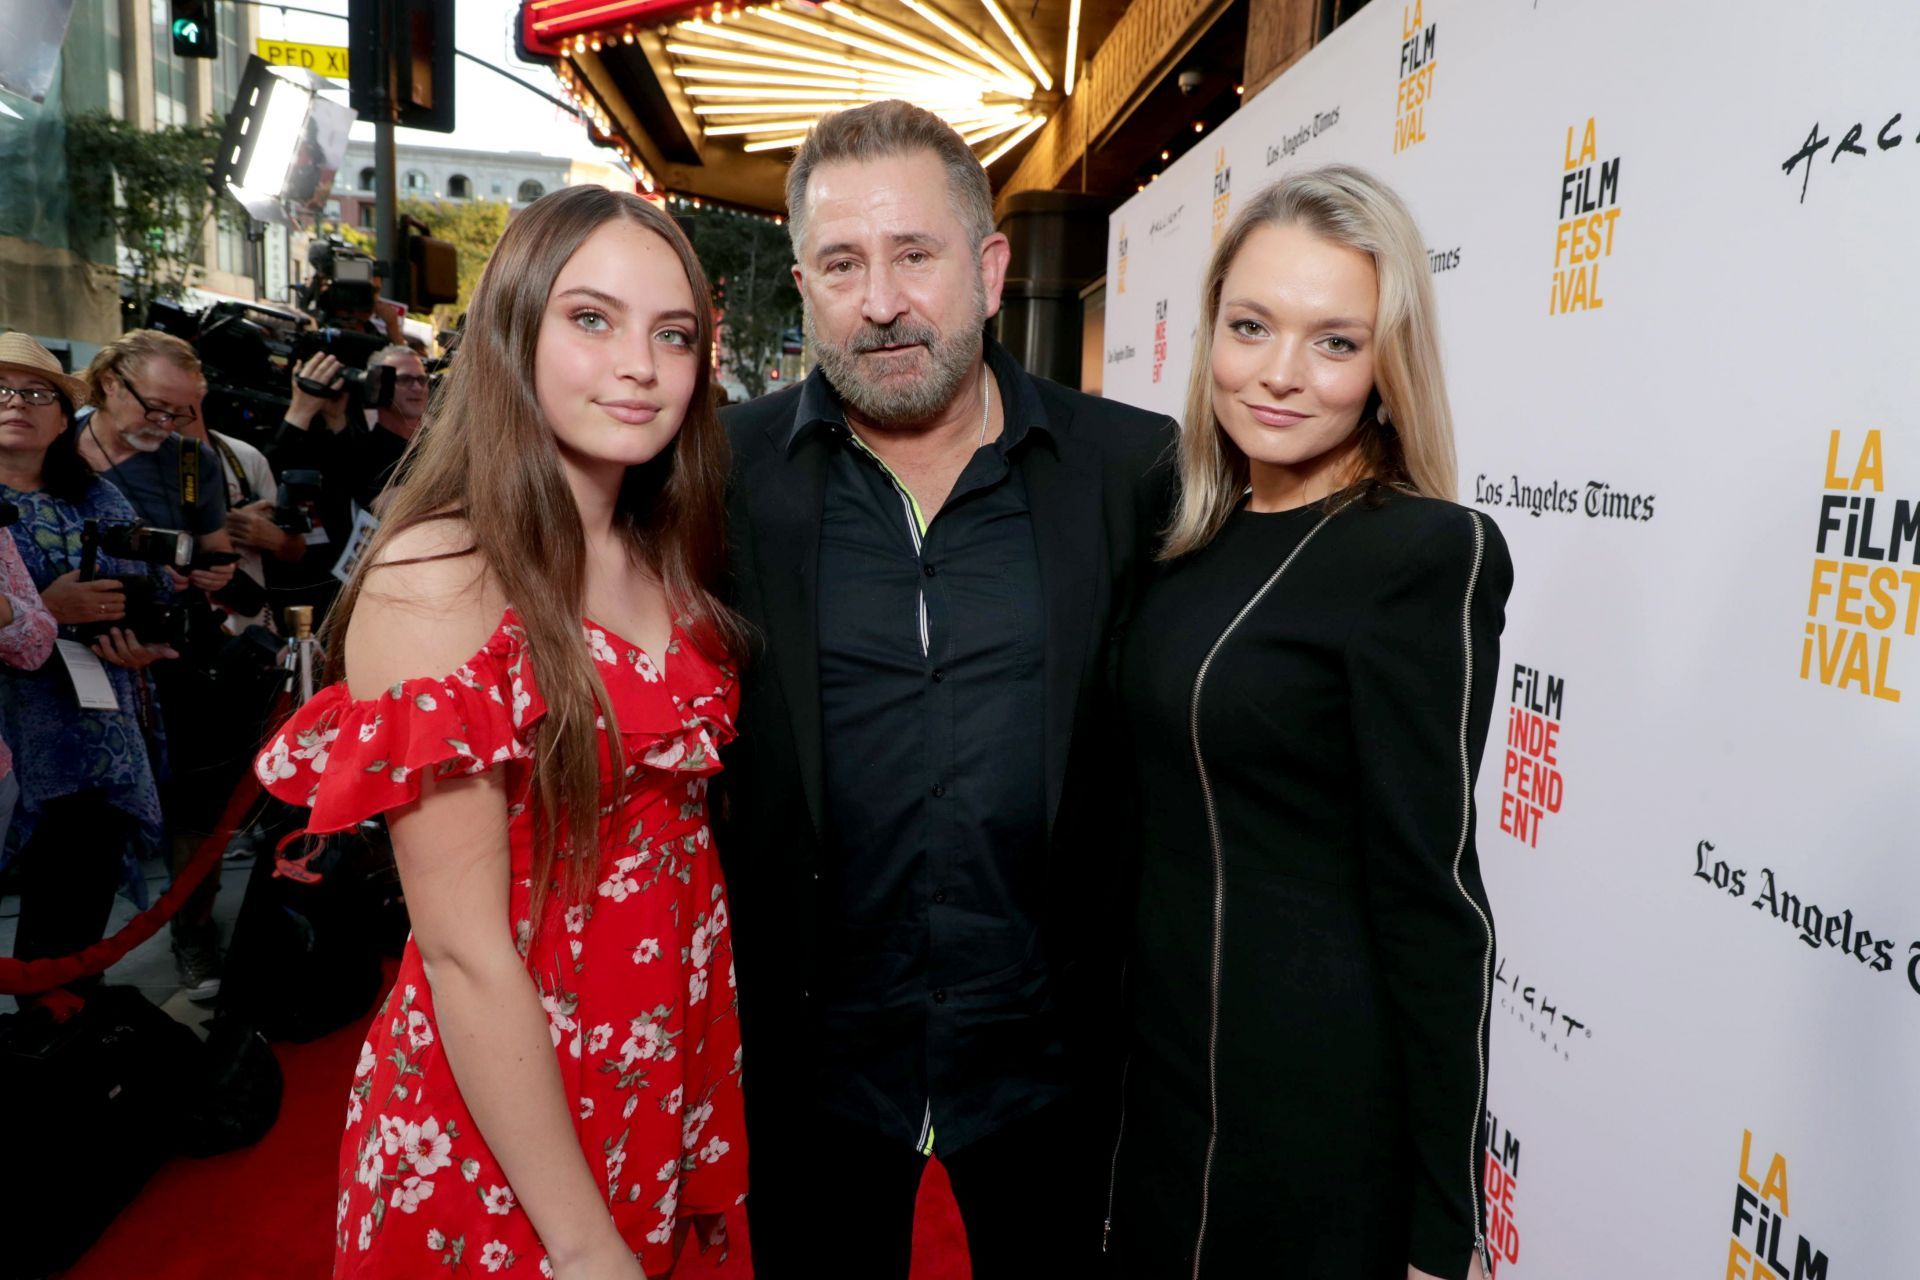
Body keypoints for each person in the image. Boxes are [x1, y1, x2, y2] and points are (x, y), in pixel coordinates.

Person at [717, 99, 1176, 1278]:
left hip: (1052, 1061)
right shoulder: (716, 478)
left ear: (988, 268)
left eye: (913, 255)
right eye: (842, 263)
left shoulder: (1134, 471)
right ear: (806, 286)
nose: (881, 301)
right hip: (816, 1062)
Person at [254, 185, 747, 1279]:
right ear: (515, 330)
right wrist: (579, 1242)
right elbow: (464, 949)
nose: (642, 365)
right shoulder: (444, 570)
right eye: (591, 318)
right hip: (510, 1100)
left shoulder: (660, 546)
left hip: (650, 1053)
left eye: (675, 334)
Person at [1106, 167, 1512, 1280]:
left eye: (1335, 342)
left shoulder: (1422, 554)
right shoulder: (1179, 527)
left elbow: (1435, 899)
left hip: (1319, 1122)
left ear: (1387, 365)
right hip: (1157, 1097)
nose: (1280, 374)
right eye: (1251, 326)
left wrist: (1443, 1227)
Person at [0, 332, 173, 986]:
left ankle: (63, 1046)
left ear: (59, 415)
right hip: (10, 740)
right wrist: (44, 607)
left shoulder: (96, 496)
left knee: (74, 928)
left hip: (96, 733)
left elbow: (149, 590)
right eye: (2, 390)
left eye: (37, 392)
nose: (18, 403)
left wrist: (138, 634)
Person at [78, 330, 246, 998]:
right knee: (89, 823)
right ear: (111, 383)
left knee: (198, 808)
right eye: (157, 407)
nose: (168, 424)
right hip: (75, 659)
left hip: (177, 653)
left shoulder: (188, 461)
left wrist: (211, 570)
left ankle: (194, 933)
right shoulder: (58, 452)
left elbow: (216, 549)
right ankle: (68, 970)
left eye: (182, 412)